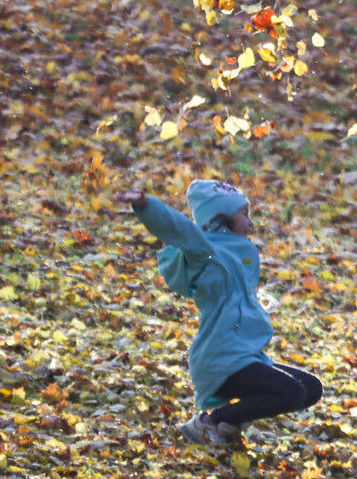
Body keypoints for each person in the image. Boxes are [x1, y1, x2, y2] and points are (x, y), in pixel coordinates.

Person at [114, 179, 323, 446]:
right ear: (221, 217)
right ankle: (208, 422)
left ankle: (229, 423)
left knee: (310, 388)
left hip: (244, 355)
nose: (251, 222)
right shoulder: (206, 252)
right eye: (244, 214)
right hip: (220, 359)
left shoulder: (239, 252)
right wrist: (146, 205)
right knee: (291, 392)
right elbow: (179, 229)